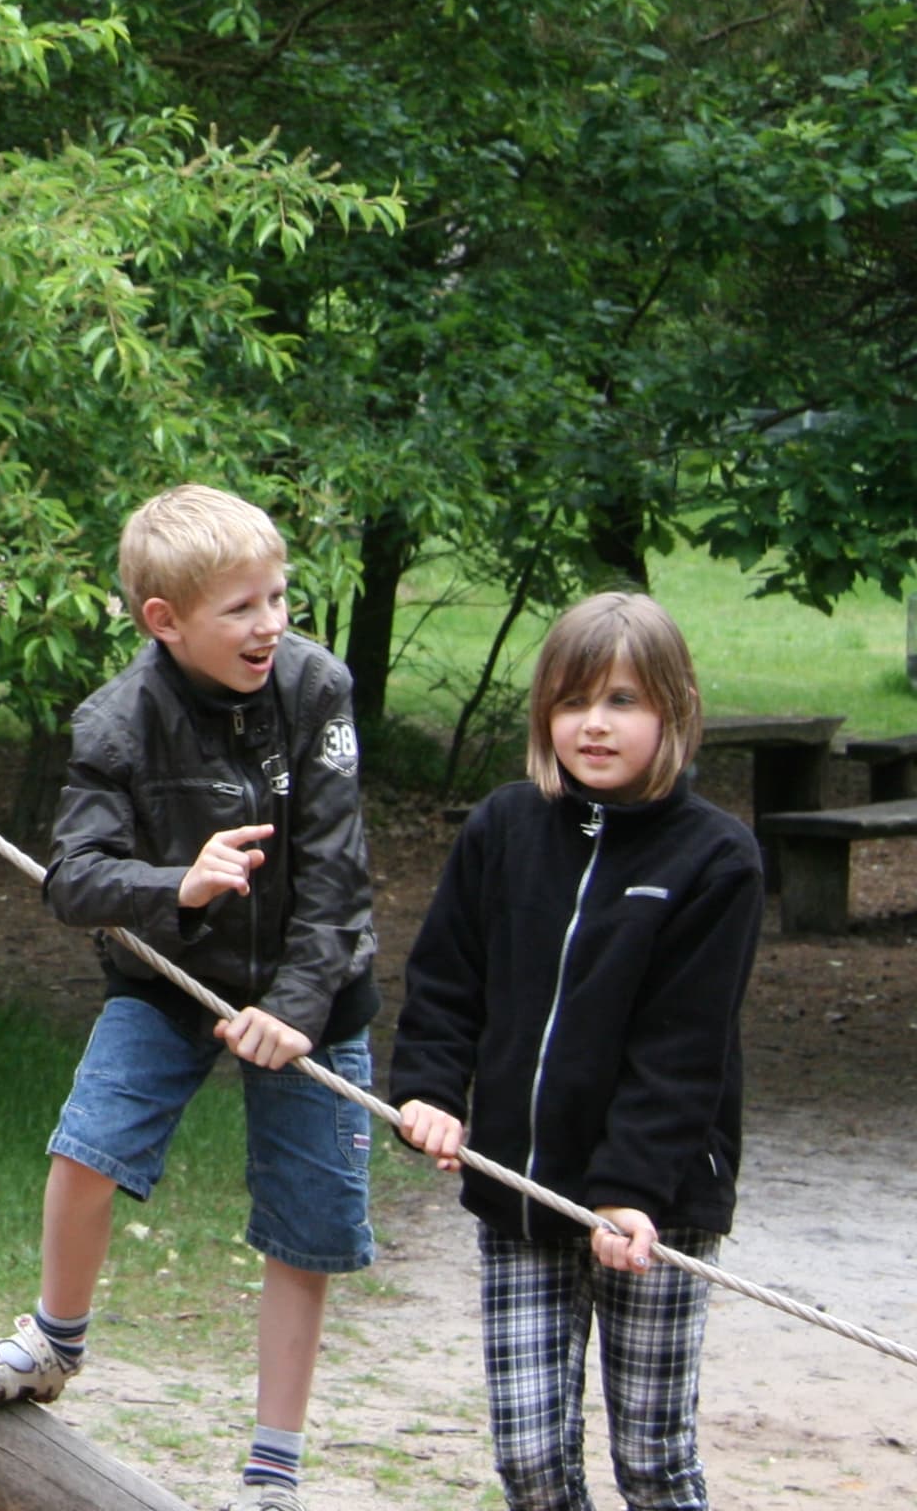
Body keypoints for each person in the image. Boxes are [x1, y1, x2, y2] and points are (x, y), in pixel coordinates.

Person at [0, 485, 374, 1509]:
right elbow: (75, 881)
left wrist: (299, 1007)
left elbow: (337, 875)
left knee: (301, 1230)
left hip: (314, 993)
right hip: (171, 981)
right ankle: (52, 1342)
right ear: (163, 621)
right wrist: (176, 885)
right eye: (240, 607)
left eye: (279, 597)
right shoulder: (116, 722)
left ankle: (273, 1472)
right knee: (84, 1146)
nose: (270, 623)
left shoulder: (318, 690)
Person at [390, 593, 760, 1511]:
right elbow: (445, 980)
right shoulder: (504, 828)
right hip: (519, 1192)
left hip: (656, 1207)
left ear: (673, 710)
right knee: (530, 1461)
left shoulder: (717, 859)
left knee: (653, 1462)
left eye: (624, 701)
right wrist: (431, 1090)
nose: (593, 725)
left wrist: (630, 1192)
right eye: (571, 701)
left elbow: (684, 1051)